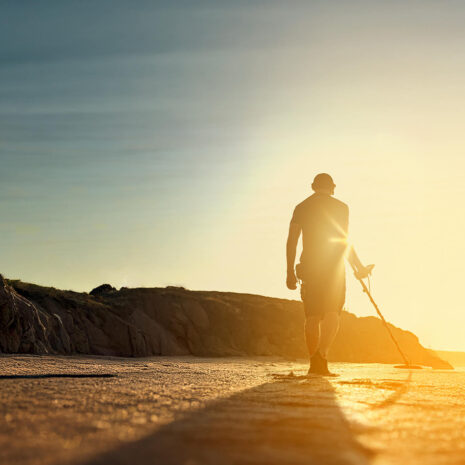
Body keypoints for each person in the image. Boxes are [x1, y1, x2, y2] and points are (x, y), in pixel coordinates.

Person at [286, 173, 372, 375]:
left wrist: (289, 271)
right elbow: (344, 241)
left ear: (312, 186)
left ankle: (314, 364)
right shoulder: (342, 207)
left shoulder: (301, 207)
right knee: (333, 312)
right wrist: (358, 267)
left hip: (309, 267)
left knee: (312, 316)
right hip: (334, 268)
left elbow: (291, 241)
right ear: (333, 188)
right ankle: (321, 356)